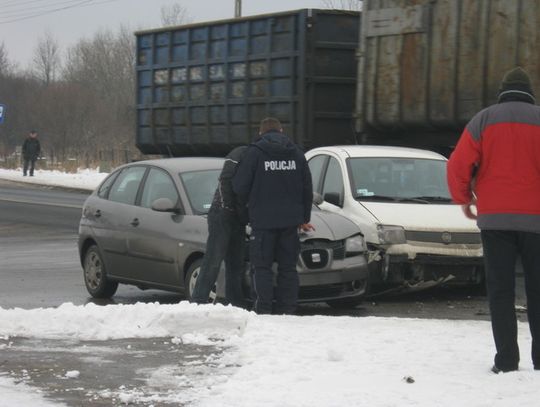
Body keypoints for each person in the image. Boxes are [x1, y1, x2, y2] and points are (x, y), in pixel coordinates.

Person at [447, 67, 540, 374]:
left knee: (500, 290)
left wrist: (464, 199)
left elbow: (458, 164)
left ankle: (506, 361)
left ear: (503, 90)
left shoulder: (483, 120)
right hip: (537, 220)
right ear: (529, 91)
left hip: (496, 219)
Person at [232, 117, 313, 314]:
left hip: (262, 222)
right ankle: (288, 310)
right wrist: (304, 218)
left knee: (261, 268)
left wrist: (244, 214)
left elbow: (239, 187)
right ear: (281, 131)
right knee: (288, 269)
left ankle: (263, 310)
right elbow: (307, 188)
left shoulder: (254, 153)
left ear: (261, 133)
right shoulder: (297, 154)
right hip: (290, 223)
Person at [191, 145, 249, 307]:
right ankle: (198, 301)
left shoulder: (253, 156)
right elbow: (226, 181)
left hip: (236, 216)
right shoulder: (240, 155)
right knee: (213, 260)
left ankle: (235, 303)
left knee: (235, 263)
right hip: (222, 213)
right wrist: (231, 208)